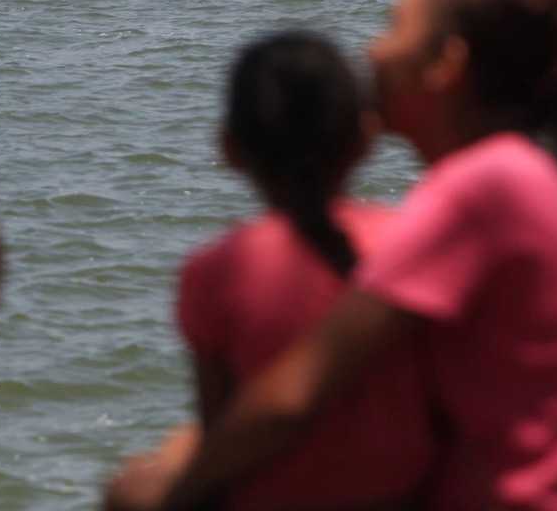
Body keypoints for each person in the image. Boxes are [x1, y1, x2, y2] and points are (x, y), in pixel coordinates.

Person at [107, 0, 557, 511]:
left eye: (394, 25)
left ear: (446, 65)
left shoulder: (479, 189)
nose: (372, 50)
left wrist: (174, 494)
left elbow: (297, 392)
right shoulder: (526, 175)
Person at [111, 34, 436, 511]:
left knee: (128, 489)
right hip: (406, 495)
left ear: (230, 149)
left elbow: (221, 433)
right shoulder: (415, 243)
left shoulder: (216, 269)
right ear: (365, 141)